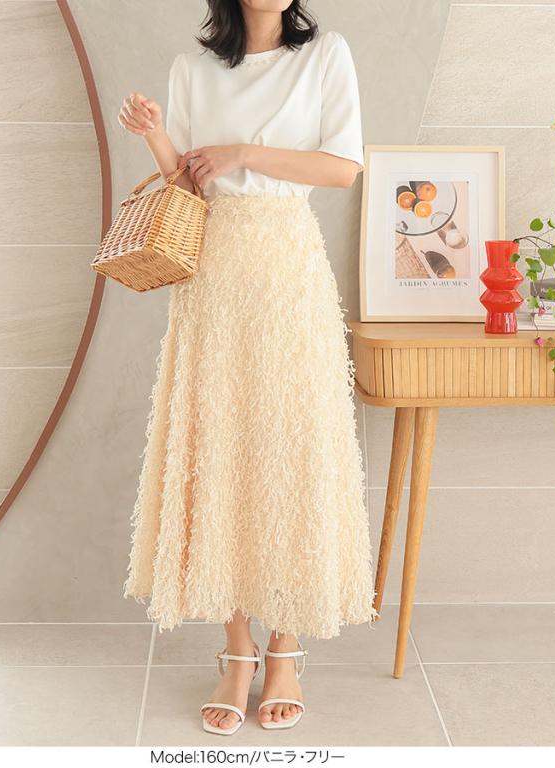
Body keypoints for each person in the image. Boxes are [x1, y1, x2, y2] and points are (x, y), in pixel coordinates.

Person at [118, 0, 376, 736]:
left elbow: (343, 168)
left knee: (292, 450)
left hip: (289, 269)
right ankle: (237, 651)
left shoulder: (324, 55)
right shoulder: (192, 68)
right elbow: (187, 184)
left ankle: (285, 647)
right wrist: (157, 135)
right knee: (220, 450)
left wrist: (244, 153)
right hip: (214, 274)